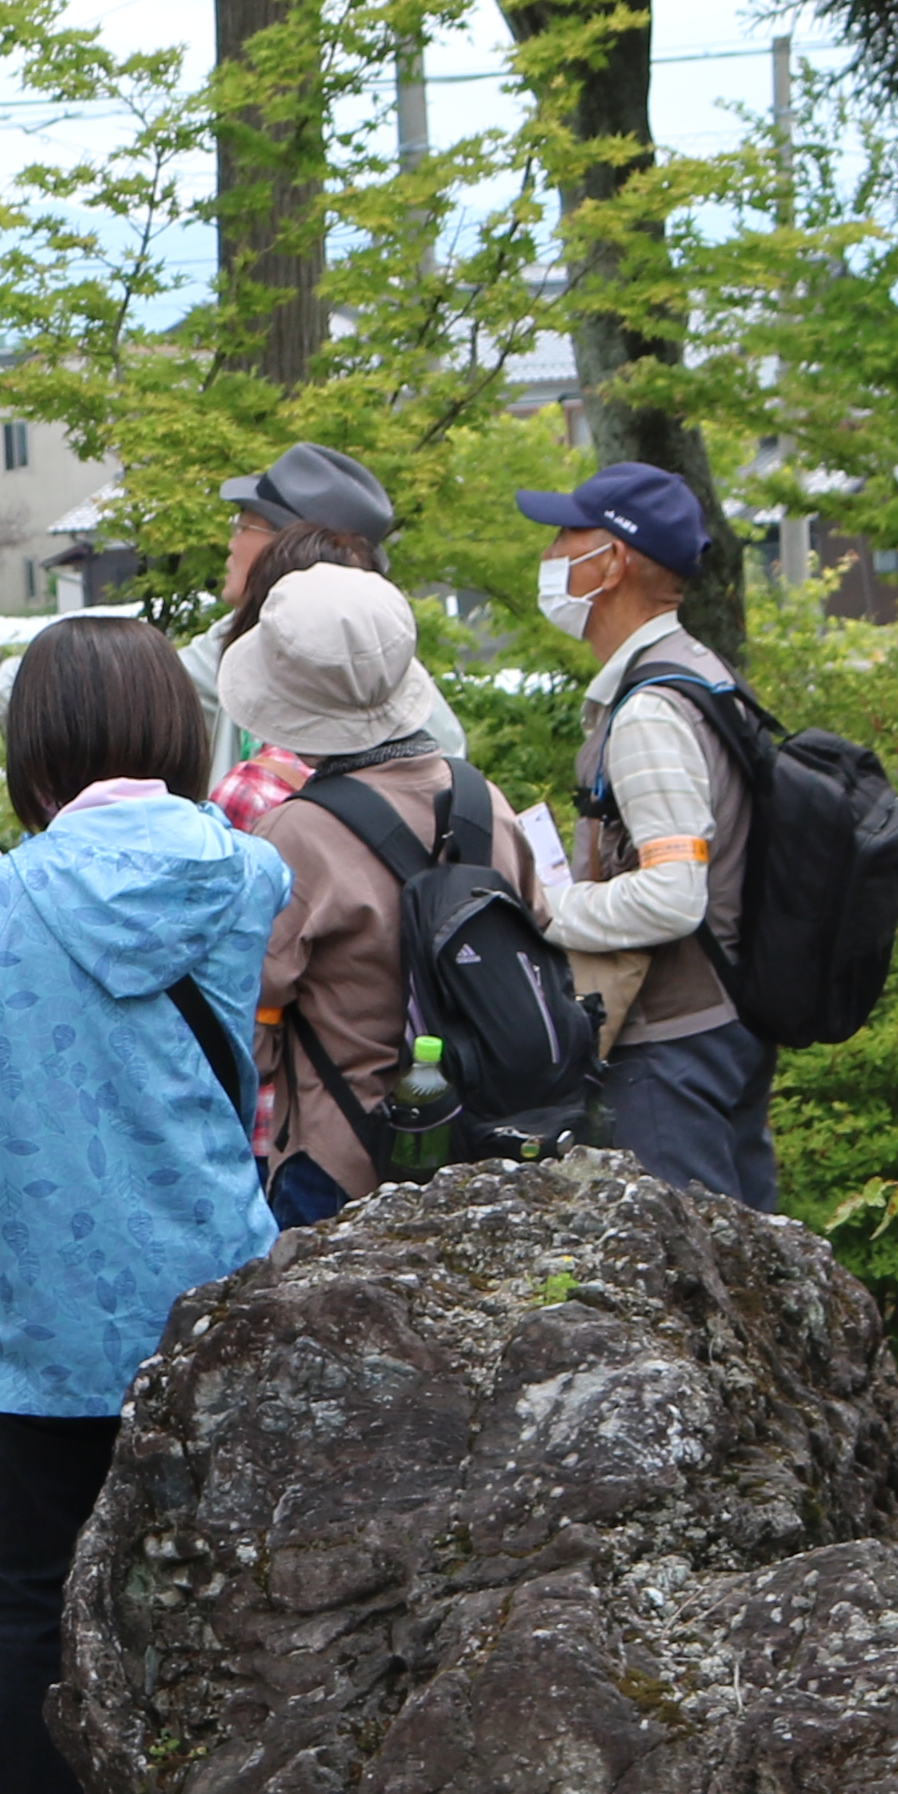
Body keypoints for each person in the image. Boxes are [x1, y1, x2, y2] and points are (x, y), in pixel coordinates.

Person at [0, 615, 284, 1794]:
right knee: (230, 1597)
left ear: (39, 743)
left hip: (44, 1313)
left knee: (28, 1604)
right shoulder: (247, 874)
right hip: (215, 1296)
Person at [235, 569, 559, 1225]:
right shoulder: (485, 803)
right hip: (486, 1152)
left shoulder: (295, 835)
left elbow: (253, 1036)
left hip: (343, 1161)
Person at [519, 459, 780, 1210]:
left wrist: (545, 912)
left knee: (686, 1282)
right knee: (743, 1257)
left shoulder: (651, 711)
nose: (551, 555)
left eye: (568, 536)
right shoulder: (701, 672)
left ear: (614, 562)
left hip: (672, 1043)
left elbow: (673, 898)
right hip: (723, 1023)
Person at [186, 438, 467, 778]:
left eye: (244, 525)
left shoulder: (376, 675)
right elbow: (150, 686)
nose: (230, 542)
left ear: (288, 545)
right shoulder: (240, 634)